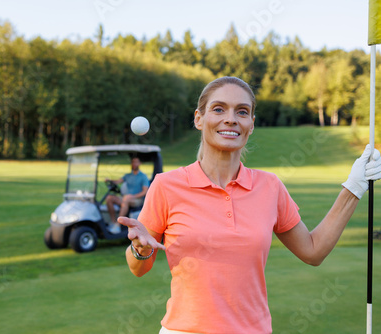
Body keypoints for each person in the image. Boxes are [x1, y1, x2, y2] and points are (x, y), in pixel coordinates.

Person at [117, 76, 381, 334]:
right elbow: (138, 268)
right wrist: (139, 248)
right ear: (199, 118)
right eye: (218, 109)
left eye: (242, 112)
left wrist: (354, 186)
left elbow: (313, 251)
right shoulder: (166, 185)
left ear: (251, 124)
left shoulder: (270, 186)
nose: (231, 118)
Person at [106, 156, 149, 234]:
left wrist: (132, 196)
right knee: (109, 198)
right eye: (133, 162)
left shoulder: (143, 177)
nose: (134, 164)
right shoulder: (128, 175)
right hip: (126, 198)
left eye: (136, 162)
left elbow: (145, 192)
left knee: (126, 199)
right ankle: (113, 222)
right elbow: (118, 181)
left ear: (140, 163)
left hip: (137, 199)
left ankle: (118, 225)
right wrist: (110, 180)